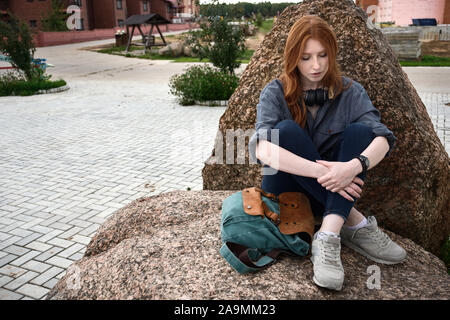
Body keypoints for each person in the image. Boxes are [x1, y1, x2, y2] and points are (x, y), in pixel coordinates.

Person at [248, 15, 406, 291]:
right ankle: (354, 221)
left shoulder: (350, 92)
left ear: (332, 53)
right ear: (293, 56)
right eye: (306, 57)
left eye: (323, 55)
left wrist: (352, 168)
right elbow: (262, 148)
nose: (316, 65)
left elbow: (383, 138)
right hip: (289, 193)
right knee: (284, 131)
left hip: (335, 191)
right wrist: (323, 172)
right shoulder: (274, 92)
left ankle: (329, 235)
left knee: (362, 132)